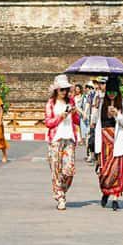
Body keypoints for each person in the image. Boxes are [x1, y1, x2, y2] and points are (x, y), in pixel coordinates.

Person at [43, 75, 80, 211]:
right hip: (56, 140)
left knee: (69, 170)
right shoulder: (51, 104)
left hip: (69, 138)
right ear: (56, 91)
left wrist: (74, 113)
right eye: (61, 90)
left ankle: (62, 190)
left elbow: (77, 121)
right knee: (56, 170)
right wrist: (60, 117)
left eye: (66, 89)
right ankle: (60, 196)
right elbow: (48, 122)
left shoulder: (71, 101)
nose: (64, 92)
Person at [93, 75, 123, 210]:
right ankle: (106, 192)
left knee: (116, 171)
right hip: (104, 142)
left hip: (117, 142)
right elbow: (96, 123)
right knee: (104, 172)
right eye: (109, 93)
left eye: (114, 92)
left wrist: (117, 115)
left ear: (117, 93)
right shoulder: (101, 104)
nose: (111, 95)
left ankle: (115, 198)